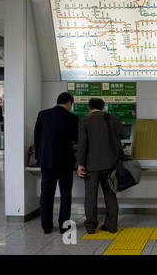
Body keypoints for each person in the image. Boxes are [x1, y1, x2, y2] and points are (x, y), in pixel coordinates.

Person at [76, 98, 125, 234]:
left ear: (88, 107)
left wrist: (80, 164)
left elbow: (82, 145)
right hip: (111, 164)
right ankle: (111, 226)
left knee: (90, 196)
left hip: (91, 166)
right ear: (103, 107)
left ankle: (91, 227)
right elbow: (122, 136)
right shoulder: (114, 119)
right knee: (110, 195)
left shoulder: (84, 121)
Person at [34, 92, 79, 234]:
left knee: (46, 193)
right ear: (68, 103)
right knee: (65, 193)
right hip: (65, 161)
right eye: (71, 105)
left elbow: (37, 138)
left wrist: (39, 157)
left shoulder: (43, 114)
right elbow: (77, 140)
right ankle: (64, 226)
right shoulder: (72, 118)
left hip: (46, 161)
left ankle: (46, 226)